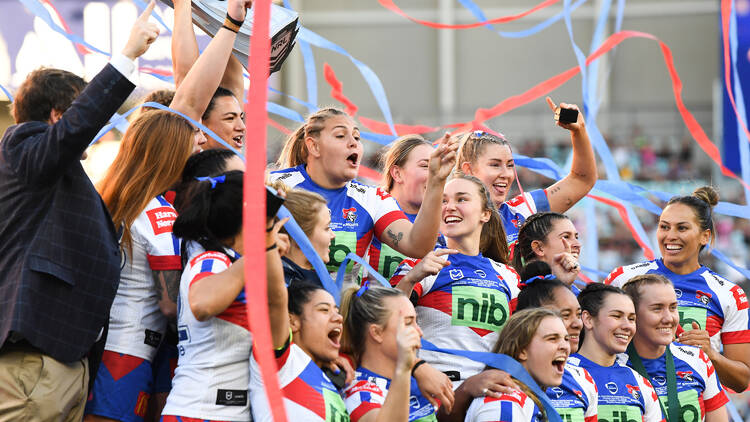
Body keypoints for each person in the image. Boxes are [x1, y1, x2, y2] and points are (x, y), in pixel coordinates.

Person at [0, 4, 158, 420]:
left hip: (64, 361)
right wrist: (127, 56)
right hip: (34, 360)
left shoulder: (59, 175)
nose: (94, 127)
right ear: (57, 116)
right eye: (79, 110)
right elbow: (74, 130)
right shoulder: (23, 146)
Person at [85, 108, 199, 422]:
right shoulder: (159, 215)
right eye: (190, 148)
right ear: (171, 156)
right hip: (128, 353)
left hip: (103, 345)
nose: (195, 156)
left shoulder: (111, 196)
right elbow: (170, 305)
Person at [269, 108, 457, 282]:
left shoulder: (371, 198)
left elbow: (417, 245)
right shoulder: (274, 184)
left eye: (357, 137)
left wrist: (436, 181)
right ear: (314, 146)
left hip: (342, 315)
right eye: (341, 136)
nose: (353, 143)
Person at [605, 186, 750, 392]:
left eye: (682, 228)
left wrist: (712, 355)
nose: (670, 236)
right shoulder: (623, 279)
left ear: (704, 236)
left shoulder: (729, 294)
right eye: (664, 227)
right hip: (631, 401)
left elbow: (741, 381)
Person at [391, 174, 520, 387]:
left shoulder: (507, 275)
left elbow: (521, 339)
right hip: (435, 392)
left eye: (461, 199)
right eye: (443, 201)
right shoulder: (422, 263)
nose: (449, 207)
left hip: (490, 393)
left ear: (485, 214)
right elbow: (385, 320)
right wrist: (412, 278)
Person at [161, 171, 251, 421]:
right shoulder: (212, 261)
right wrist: (260, 253)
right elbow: (202, 304)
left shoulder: (231, 264)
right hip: (202, 411)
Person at [456, 97, 596, 255]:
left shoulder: (521, 211)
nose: (506, 174)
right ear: (468, 169)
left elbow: (581, 180)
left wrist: (579, 131)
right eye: (495, 165)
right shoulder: (444, 216)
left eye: (510, 165)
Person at [249, 218, 349, 421]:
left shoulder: (329, 377)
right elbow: (277, 300)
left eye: (336, 311)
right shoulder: (281, 362)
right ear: (292, 321)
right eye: (323, 310)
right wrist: (269, 248)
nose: (338, 318)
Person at [618, 274, 729, 422]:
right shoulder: (612, 363)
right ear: (632, 315)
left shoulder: (697, 359)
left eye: (673, 308)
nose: (669, 318)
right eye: (657, 309)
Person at [340, 284, 445, 422]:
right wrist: (404, 368)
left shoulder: (417, 379)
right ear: (377, 333)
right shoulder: (359, 390)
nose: (419, 332)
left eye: (416, 322)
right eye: (408, 323)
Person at [515, 262, 597, 422]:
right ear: (529, 320)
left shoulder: (583, 379)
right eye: (565, 315)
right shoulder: (502, 385)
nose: (578, 324)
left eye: (578, 314)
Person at [570, 283, 664, 422]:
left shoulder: (640, 382)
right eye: (616, 316)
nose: (627, 326)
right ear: (588, 319)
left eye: (631, 319)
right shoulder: (562, 374)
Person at [464, 308, 570, 422]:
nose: (565, 346)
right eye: (552, 339)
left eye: (566, 339)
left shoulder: (520, 400)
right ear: (521, 350)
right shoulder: (504, 402)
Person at [171, 0, 246, 150]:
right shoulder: (190, 159)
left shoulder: (234, 160)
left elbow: (233, 84)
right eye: (230, 118)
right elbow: (187, 87)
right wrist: (182, 4)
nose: (242, 127)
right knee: (188, 90)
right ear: (201, 123)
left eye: (241, 117)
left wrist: (229, 10)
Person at [368, 135, 434, 279]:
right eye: (425, 166)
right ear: (397, 174)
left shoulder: (448, 221)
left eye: (437, 167)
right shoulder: (368, 210)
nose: (436, 175)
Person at [269, 181, 335, 287]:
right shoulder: (290, 289)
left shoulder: (307, 281)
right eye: (326, 228)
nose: (333, 235)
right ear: (299, 236)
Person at [512, 212, 583, 292]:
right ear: (539, 248)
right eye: (566, 236)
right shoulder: (523, 293)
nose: (578, 244)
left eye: (577, 237)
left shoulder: (579, 294)